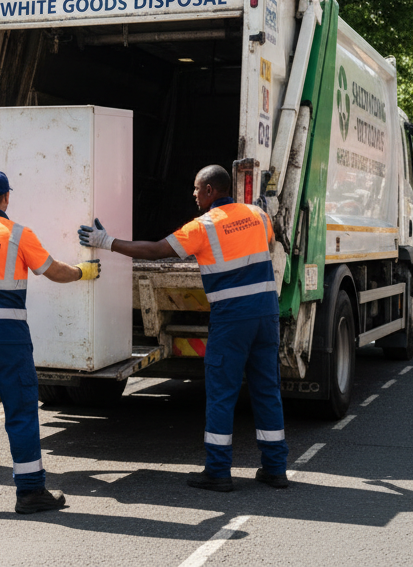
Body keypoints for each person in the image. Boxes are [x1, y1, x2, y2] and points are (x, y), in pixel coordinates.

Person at [78, 165, 289, 491]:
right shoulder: (258, 215)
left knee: (221, 394)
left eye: (195, 189)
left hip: (232, 319)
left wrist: (107, 242)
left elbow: (155, 251)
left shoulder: (203, 227)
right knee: (266, 390)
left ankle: (218, 472)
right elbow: (268, 238)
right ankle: (275, 469)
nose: (192, 195)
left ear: (209, 191)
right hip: (266, 315)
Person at [0, 170, 102, 516]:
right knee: (19, 412)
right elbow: (54, 271)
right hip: (8, 338)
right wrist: (84, 271)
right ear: (5, 198)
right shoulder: (17, 234)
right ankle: (31, 491)